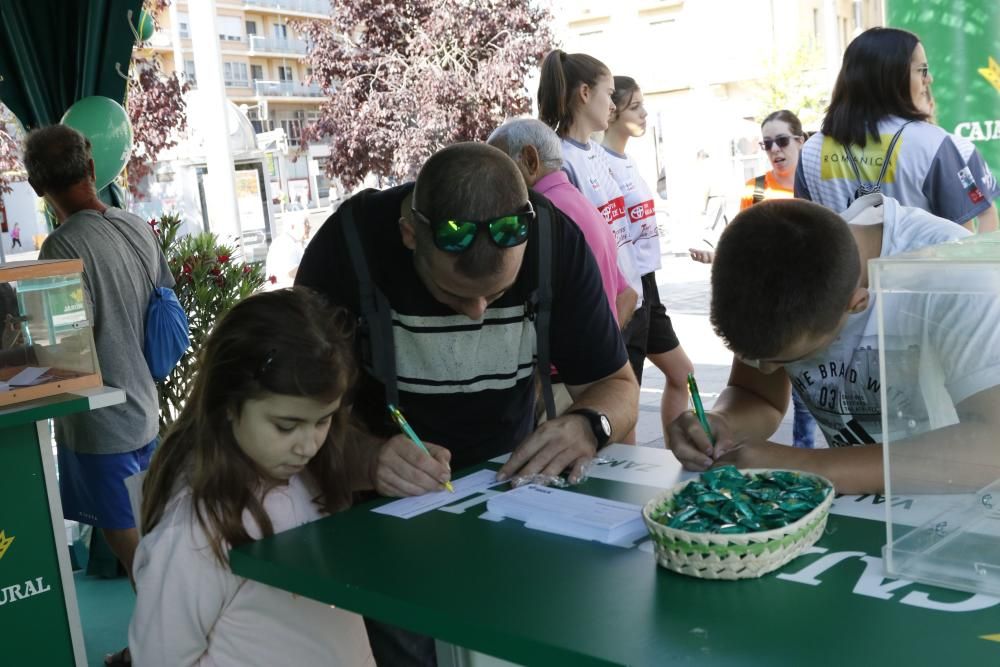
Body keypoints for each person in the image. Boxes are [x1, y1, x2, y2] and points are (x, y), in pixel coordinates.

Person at [295, 142, 638, 667]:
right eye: (453, 294)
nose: (477, 313)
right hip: (384, 519)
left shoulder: (553, 241)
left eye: (498, 295)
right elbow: (289, 409)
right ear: (410, 235)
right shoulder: (349, 247)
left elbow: (618, 384)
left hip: (512, 500)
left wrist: (589, 425)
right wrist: (365, 456)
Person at [666, 195, 1000, 495]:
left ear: (857, 303)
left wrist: (809, 466)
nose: (767, 369)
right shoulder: (775, 266)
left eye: (790, 360)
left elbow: (992, 446)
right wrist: (723, 421)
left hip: (958, 520)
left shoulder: (958, 275)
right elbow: (758, 396)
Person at [130, 288, 375, 666]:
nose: (308, 445)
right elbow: (161, 657)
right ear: (229, 405)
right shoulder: (196, 530)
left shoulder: (311, 478)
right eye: (286, 426)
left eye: (323, 421)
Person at [22, 125, 172, 666]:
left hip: (102, 424)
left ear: (40, 189)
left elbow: (58, 348)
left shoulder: (62, 245)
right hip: (146, 413)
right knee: (150, 546)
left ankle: (165, 647)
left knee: (137, 557)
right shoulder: (136, 227)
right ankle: (154, 643)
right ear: (91, 169)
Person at [488, 117, 638, 417]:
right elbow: (627, 295)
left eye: (499, 170)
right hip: (593, 382)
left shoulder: (543, 218)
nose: (492, 183)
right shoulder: (581, 205)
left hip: (559, 387)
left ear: (530, 160)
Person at [689, 109, 819, 449]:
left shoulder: (821, 188)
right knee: (782, 389)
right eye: (767, 144)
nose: (775, 149)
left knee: (812, 400)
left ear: (801, 141)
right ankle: (803, 457)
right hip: (772, 311)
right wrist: (718, 257)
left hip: (814, 307)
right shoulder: (756, 189)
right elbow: (745, 248)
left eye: (782, 140)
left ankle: (806, 455)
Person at [796, 27, 1000, 233]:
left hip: (841, 265)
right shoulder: (932, 144)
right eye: (922, 70)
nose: (928, 80)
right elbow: (961, 239)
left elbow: (805, 234)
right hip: (922, 266)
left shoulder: (811, 151)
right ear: (893, 75)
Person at [602, 76, 694, 443]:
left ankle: (680, 451)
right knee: (628, 398)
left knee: (682, 373)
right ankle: (627, 477)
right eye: (635, 106)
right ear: (613, 112)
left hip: (648, 285)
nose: (644, 113)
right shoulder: (599, 165)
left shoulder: (627, 161)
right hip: (628, 289)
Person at [537, 50, 645, 359]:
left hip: (626, 300)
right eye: (609, 94)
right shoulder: (558, 158)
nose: (613, 105)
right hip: (600, 311)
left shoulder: (596, 152)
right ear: (585, 93)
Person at [265, 211, 308, 288]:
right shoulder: (284, 243)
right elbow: (290, 272)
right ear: (293, 226)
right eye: (305, 224)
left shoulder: (297, 242)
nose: (309, 227)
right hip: (284, 293)